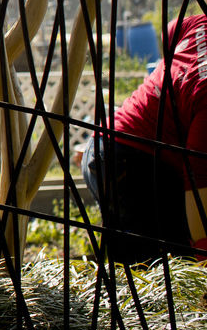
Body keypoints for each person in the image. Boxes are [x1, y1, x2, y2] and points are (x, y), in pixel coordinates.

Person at [82, 13, 207, 264]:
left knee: (148, 275)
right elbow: (198, 183)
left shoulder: (200, 22)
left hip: (106, 146)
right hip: (134, 164)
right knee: (167, 274)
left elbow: (171, 33)